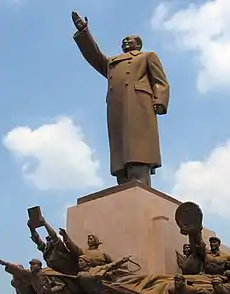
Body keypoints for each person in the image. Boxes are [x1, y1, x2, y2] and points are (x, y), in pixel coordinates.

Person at [71, 11, 170, 187]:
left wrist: (159, 100)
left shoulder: (147, 56)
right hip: (116, 105)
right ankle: (123, 180)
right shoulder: (112, 62)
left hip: (139, 103)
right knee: (120, 148)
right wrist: (84, 32)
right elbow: (95, 57)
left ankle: (139, 179)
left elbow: (160, 80)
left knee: (138, 145)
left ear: (138, 44)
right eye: (123, 39)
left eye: (129, 39)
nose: (125, 41)